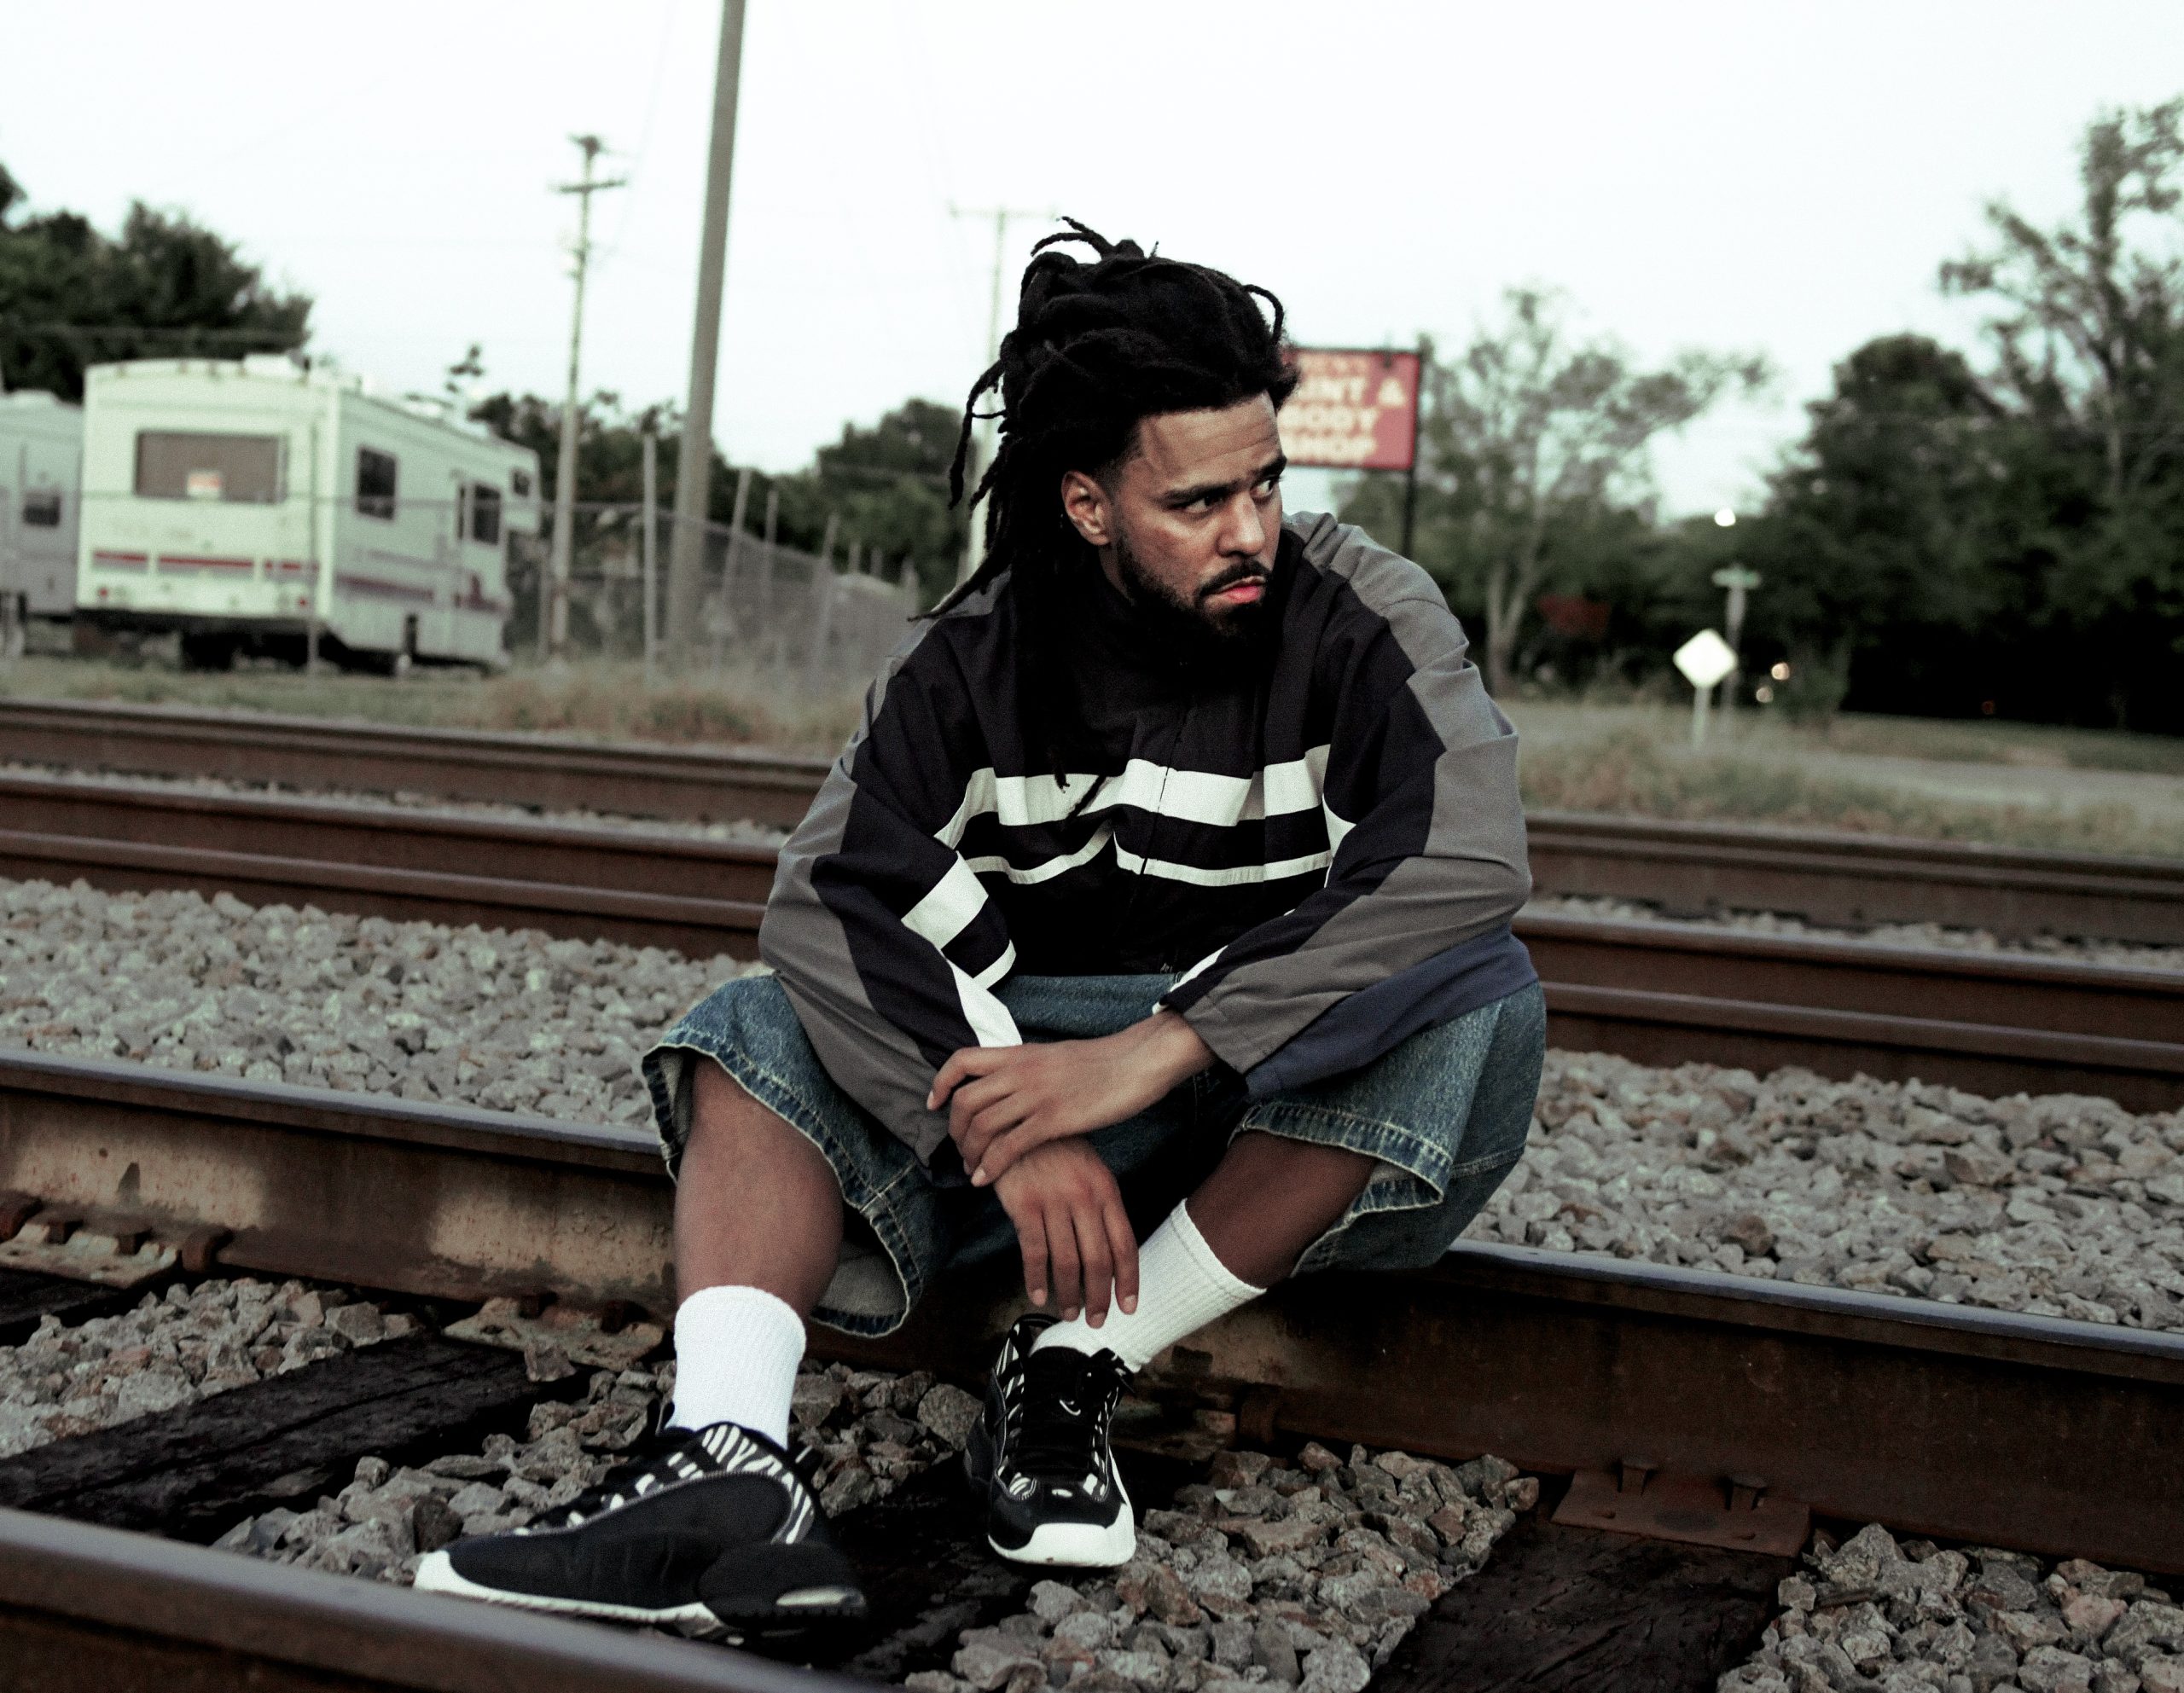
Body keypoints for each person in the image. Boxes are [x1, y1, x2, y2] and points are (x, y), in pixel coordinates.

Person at [415, 222, 1543, 1635]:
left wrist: (1158, 1047)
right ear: (1087, 504)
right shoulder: (973, 657)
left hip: (1273, 1122)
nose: (1250, 530)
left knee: (1475, 987)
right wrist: (1012, 1126)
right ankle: (723, 1463)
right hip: (1027, 1119)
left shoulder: (1362, 609)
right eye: (1197, 501)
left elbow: (1466, 851)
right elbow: (826, 893)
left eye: (1265, 482)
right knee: (751, 1026)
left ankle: (1074, 1360)